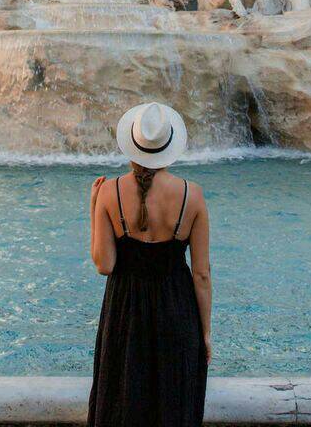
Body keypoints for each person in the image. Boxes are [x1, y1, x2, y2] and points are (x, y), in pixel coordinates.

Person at [88, 102, 211, 427]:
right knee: (173, 405)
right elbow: (201, 274)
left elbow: (105, 264)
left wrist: (93, 208)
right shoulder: (192, 195)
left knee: (123, 404)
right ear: (169, 147)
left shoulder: (108, 192)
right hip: (176, 309)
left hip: (124, 313)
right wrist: (206, 333)